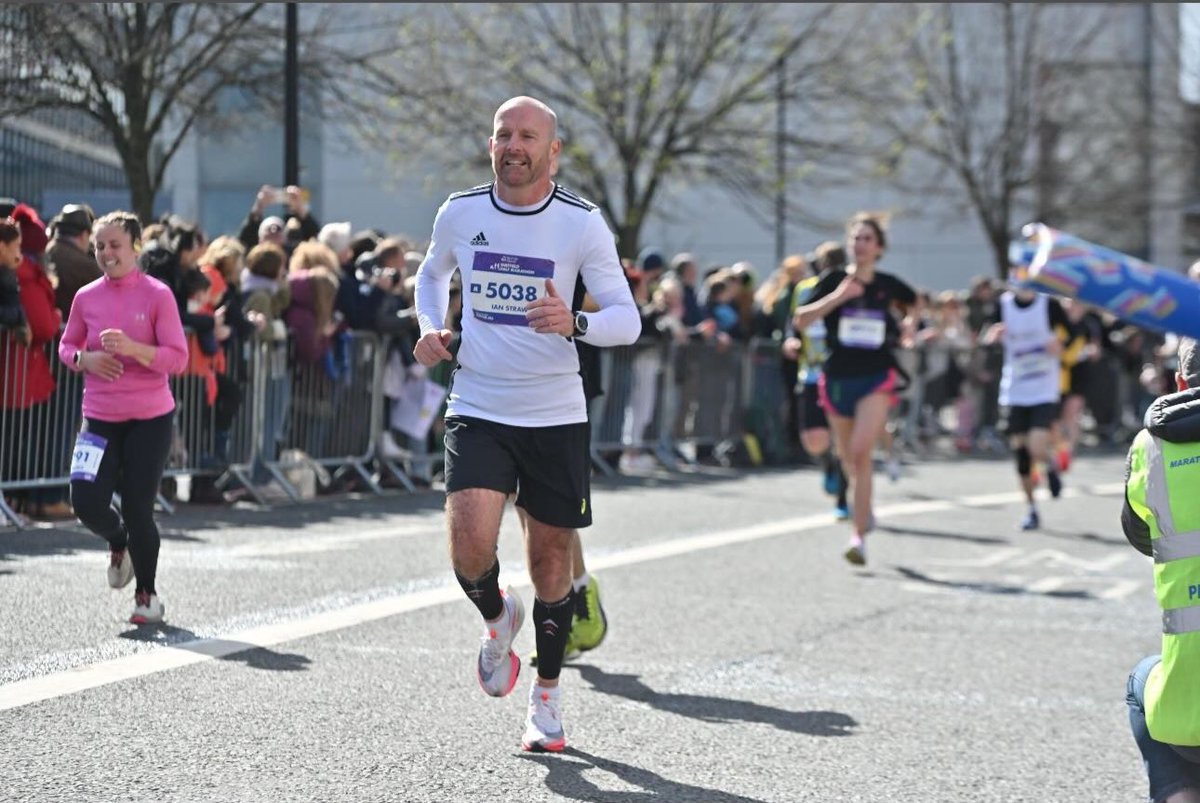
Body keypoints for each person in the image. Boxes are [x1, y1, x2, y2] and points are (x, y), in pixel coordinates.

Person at [412, 95, 639, 752]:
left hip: (554, 411)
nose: (513, 145)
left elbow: (628, 318)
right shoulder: (461, 212)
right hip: (479, 401)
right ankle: (496, 614)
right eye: (503, 134)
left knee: (549, 562)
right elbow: (431, 277)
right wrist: (430, 327)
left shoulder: (581, 224)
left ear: (552, 150)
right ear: (491, 145)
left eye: (527, 135)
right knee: (470, 547)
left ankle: (546, 697)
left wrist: (578, 322)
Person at [58, 211, 188, 624]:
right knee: (85, 500)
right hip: (99, 417)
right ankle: (118, 542)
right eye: (99, 246)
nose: (106, 253)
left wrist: (134, 350)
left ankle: (146, 596)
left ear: (134, 245)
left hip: (149, 418)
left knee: (138, 510)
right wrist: (85, 358)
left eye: (114, 245)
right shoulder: (86, 296)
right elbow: (66, 346)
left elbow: (178, 358)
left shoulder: (157, 295)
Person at [793, 213, 917, 565]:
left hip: (876, 376)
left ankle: (858, 537)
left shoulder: (888, 284)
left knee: (862, 453)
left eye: (867, 239)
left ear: (878, 247)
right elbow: (801, 320)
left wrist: (909, 325)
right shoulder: (832, 280)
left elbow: (914, 302)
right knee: (847, 457)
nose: (860, 244)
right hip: (837, 376)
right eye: (855, 238)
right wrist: (839, 297)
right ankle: (863, 508)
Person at [1123, 335, 1200, 803]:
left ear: (1179, 381)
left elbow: (1139, 535)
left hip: (1188, 717)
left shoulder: (1151, 446)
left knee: (1143, 677)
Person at [982, 275, 1068, 530]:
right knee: (1020, 453)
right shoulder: (1003, 305)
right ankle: (1031, 508)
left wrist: (1060, 345)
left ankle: (1050, 463)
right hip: (1015, 388)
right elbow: (985, 337)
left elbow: (1072, 334)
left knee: (1036, 446)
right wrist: (992, 337)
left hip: (1043, 387)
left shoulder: (1049, 305)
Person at [783, 242, 851, 518]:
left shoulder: (850, 287)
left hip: (842, 371)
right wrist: (790, 339)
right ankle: (828, 464)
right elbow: (794, 321)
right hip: (810, 371)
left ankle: (843, 499)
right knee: (814, 439)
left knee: (842, 437)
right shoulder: (806, 288)